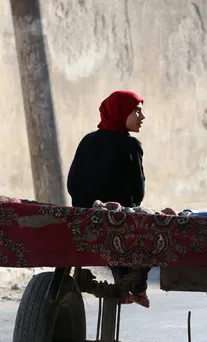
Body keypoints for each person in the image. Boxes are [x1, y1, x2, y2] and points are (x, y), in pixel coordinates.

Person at [67, 90, 150, 308]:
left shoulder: (88, 140)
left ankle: (124, 286)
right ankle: (134, 287)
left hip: (84, 216)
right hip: (117, 221)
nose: (143, 117)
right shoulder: (131, 146)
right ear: (121, 113)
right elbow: (138, 192)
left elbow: (72, 182)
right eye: (137, 112)